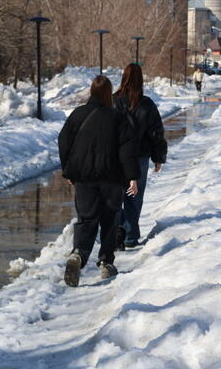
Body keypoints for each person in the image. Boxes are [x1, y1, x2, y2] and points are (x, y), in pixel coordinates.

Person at [58, 75, 140, 288]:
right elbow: (127, 150)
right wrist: (132, 176)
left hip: (83, 178)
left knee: (86, 218)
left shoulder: (77, 115)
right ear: (108, 94)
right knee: (110, 219)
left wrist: (69, 171)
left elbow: (63, 141)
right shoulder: (118, 118)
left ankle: (78, 255)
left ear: (91, 92)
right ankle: (106, 262)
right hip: (112, 178)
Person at [113, 63, 167, 250]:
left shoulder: (113, 101)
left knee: (115, 195)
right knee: (134, 198)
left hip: (116, 157)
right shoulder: (147, 104)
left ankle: (119, 228)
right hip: (140, 157)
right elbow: (156, 132)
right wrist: (158, 157)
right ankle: (130, 235)